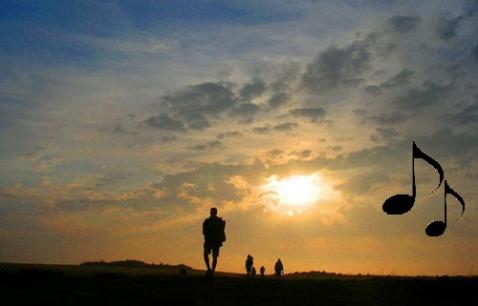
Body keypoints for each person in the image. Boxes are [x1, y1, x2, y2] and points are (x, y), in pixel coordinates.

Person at [202, 207, 226, 276]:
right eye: (212, 212)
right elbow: (203, 232)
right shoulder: (207, 221)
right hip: (209, 240)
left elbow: (222, 230)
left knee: (214, 256)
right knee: (206, 254)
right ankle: (209, 269)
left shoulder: (219, 221)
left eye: (213, 212)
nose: (212, 213)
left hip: (216, 241)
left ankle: (212, 270)